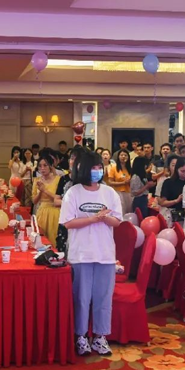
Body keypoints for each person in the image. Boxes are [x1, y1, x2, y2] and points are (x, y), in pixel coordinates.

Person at [60, 150, 122, 357]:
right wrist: (94, 219)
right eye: (93, 167)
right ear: (84, 169)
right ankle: (81, 336)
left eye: (99, 167)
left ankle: (100, 336)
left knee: (103, 298)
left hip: (105, 253)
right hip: (81, 253)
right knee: (81, 297)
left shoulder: (110, 193)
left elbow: (117, 221)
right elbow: (68, 222)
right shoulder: (73, 192)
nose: (97, 171)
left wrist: (104, 218)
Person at [32, 153, 61, 246]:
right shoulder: (36, 180)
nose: (42, 168)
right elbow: (34, 201)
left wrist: (44, 190)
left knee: (53, 240)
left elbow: (59, 198)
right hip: (42, 212)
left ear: (51, 166)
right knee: (41, 240)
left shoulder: (59, 180)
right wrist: (40, 191)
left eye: (45, 165)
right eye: (40, 166)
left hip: (55, 211)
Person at [159, 156, 185, 224]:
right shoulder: (168, 182)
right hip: (173, 216)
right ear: (177, 169)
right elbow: (162, 203)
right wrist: (176, 200)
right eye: (182, 171)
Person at [106, 149, 132, 215]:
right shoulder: (113, 168)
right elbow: (110, 182)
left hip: (128, 192)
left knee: (129, 211)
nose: (123, 157)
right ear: (118, 157)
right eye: (121, 155)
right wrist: (123, 183)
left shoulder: (130, 168)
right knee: (121, 211)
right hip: (118, 192)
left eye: (125, 155)